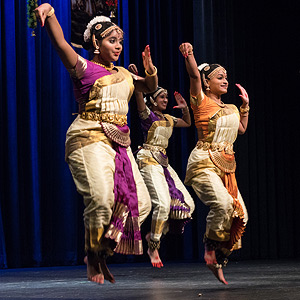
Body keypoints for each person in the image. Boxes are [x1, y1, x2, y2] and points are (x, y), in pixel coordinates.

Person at [35, 3, 158, 284]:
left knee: (142, 205)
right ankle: (92, 254)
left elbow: (149, 88)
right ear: (95, 42)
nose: (117, 46)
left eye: (120, 42)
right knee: (101, 200)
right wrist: (51, 13)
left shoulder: (126, 75)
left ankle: (102, 250)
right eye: (111, 41)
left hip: (119, 144)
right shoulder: (84, 68)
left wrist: (150, 71)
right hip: (88, 137)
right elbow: (60, 44)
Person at [179, 43, 249, 285]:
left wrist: (245, 106)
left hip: (227, 166)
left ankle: (218, 261)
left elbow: (241, 129)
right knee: (222, 204)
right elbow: (193, 75)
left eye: (227, 77)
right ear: (207, 82)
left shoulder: (229, 107)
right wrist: (190, 55)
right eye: (220, 76)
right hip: (204, 163)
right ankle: (209, 249)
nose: (225, 80)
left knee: (241, 216)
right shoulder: (200, 101)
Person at [128, 64, 195, 268]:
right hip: (147, 159)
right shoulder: (147, 115)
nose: (165, 100)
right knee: (163, 205)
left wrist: (184, 108)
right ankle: (153, 246)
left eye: (166, 97)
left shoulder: (168, 119)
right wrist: (138, 78)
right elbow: (139, 96)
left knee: (188, 206)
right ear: (152, 100)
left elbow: (187, 123)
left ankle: (154, 234)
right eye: (161, 97)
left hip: (163, 162)